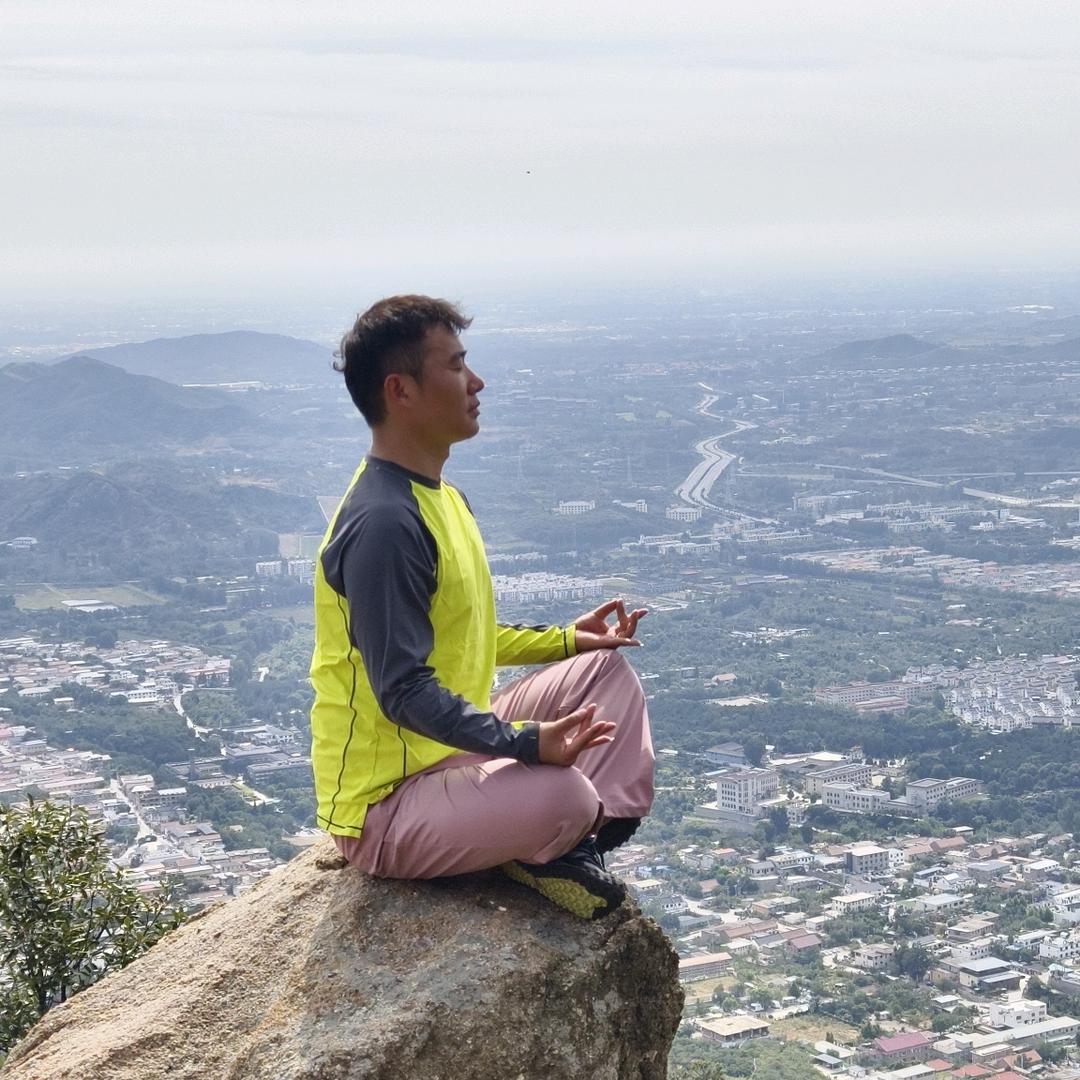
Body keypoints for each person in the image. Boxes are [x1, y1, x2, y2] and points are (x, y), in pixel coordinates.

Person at [309, 295, 655, 919]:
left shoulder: (440, 497)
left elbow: (460, 636)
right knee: (564, 795)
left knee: (605, 676)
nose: (477, 382)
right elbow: (402, 690)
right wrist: (523, 743)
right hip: (387, 804)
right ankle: (548, 832)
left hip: (450, 753)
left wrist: (567, 641)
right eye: (455, 365)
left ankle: (565, 843)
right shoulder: (385, 523)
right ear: (401, 391)